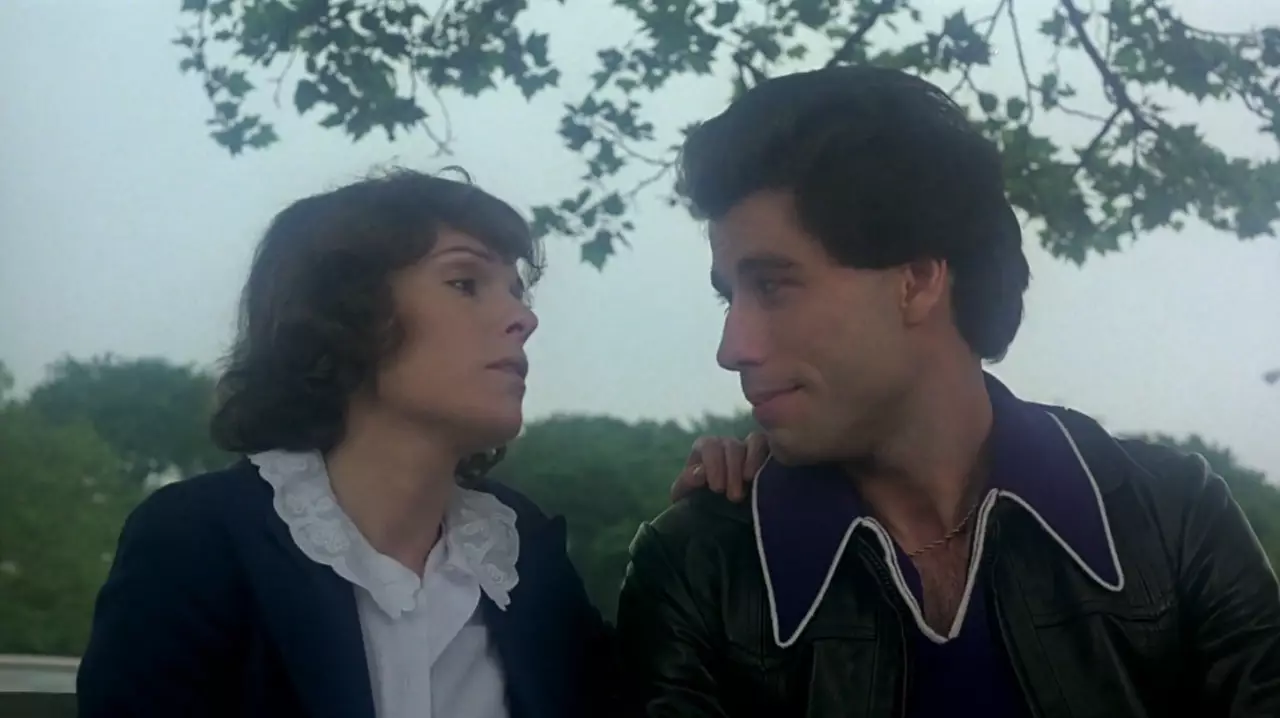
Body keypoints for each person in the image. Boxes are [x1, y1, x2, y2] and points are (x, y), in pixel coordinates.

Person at [615, 66, 1280, 717]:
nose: (733, 348)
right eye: (729, 296)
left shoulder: (1170, 521)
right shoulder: (701, 568)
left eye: (772, 286)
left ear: (918, 281)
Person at [75, 168, 750, 718]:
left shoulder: (520, 554)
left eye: (517, 292)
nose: (523, 317)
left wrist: (732, 523)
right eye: (465, 283)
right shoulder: (199, 541)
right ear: (347, 317)